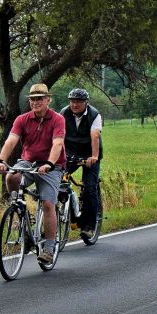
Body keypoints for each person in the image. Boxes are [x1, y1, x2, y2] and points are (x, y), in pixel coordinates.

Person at [0, 83, 66, 264]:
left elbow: (58, 144)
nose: (36, 102)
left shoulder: (57, 119)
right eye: (33, 99)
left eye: (40, 99)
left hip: (51, 165)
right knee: (12, 176)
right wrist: (2, 161)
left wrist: (49, 163)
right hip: (28, 162)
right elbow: (11, 141)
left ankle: (49, 249)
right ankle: (18, 208)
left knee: (48, 204)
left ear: (48, 100)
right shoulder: (22, 119)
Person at [59, 88, 102, 239]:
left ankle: (89, 226)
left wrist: (94, 156)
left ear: (86, 103)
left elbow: (95, 136)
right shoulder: (63, 113)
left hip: (90, 155)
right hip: (70, 153)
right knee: (57, 182)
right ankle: (69, 215)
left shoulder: (94, 114)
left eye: (78, 101)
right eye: (72, 101)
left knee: (90, 188)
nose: (74, 104)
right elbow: (58, 135)